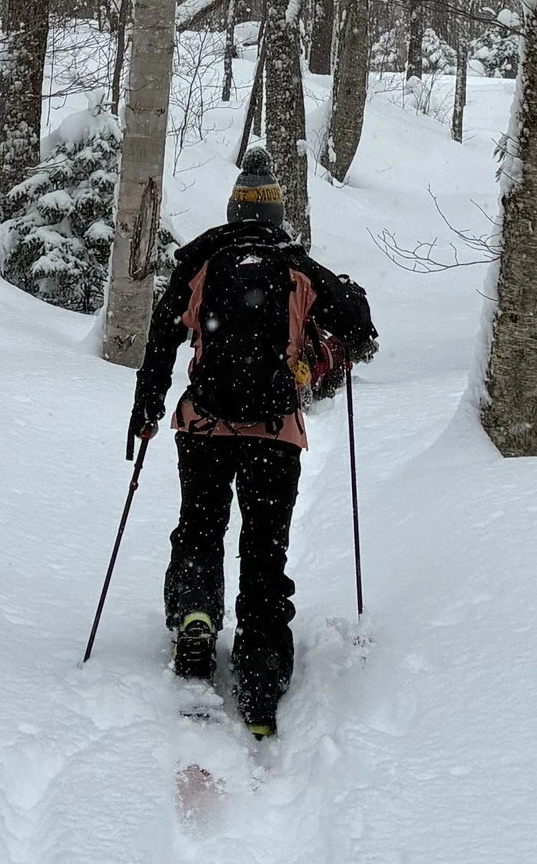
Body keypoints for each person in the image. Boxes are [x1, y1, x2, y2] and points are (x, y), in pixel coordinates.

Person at [128, 141, 376, 738]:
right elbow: (360, 332)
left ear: (236, 212)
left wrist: (147, 406)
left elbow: (162, 337)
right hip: (275, 436)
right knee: (265, 548)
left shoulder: (203, 263)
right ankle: (261, 666)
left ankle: (195, 616)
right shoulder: (296, 270)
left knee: (200, 526)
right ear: (275, 217)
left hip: (204, 428)